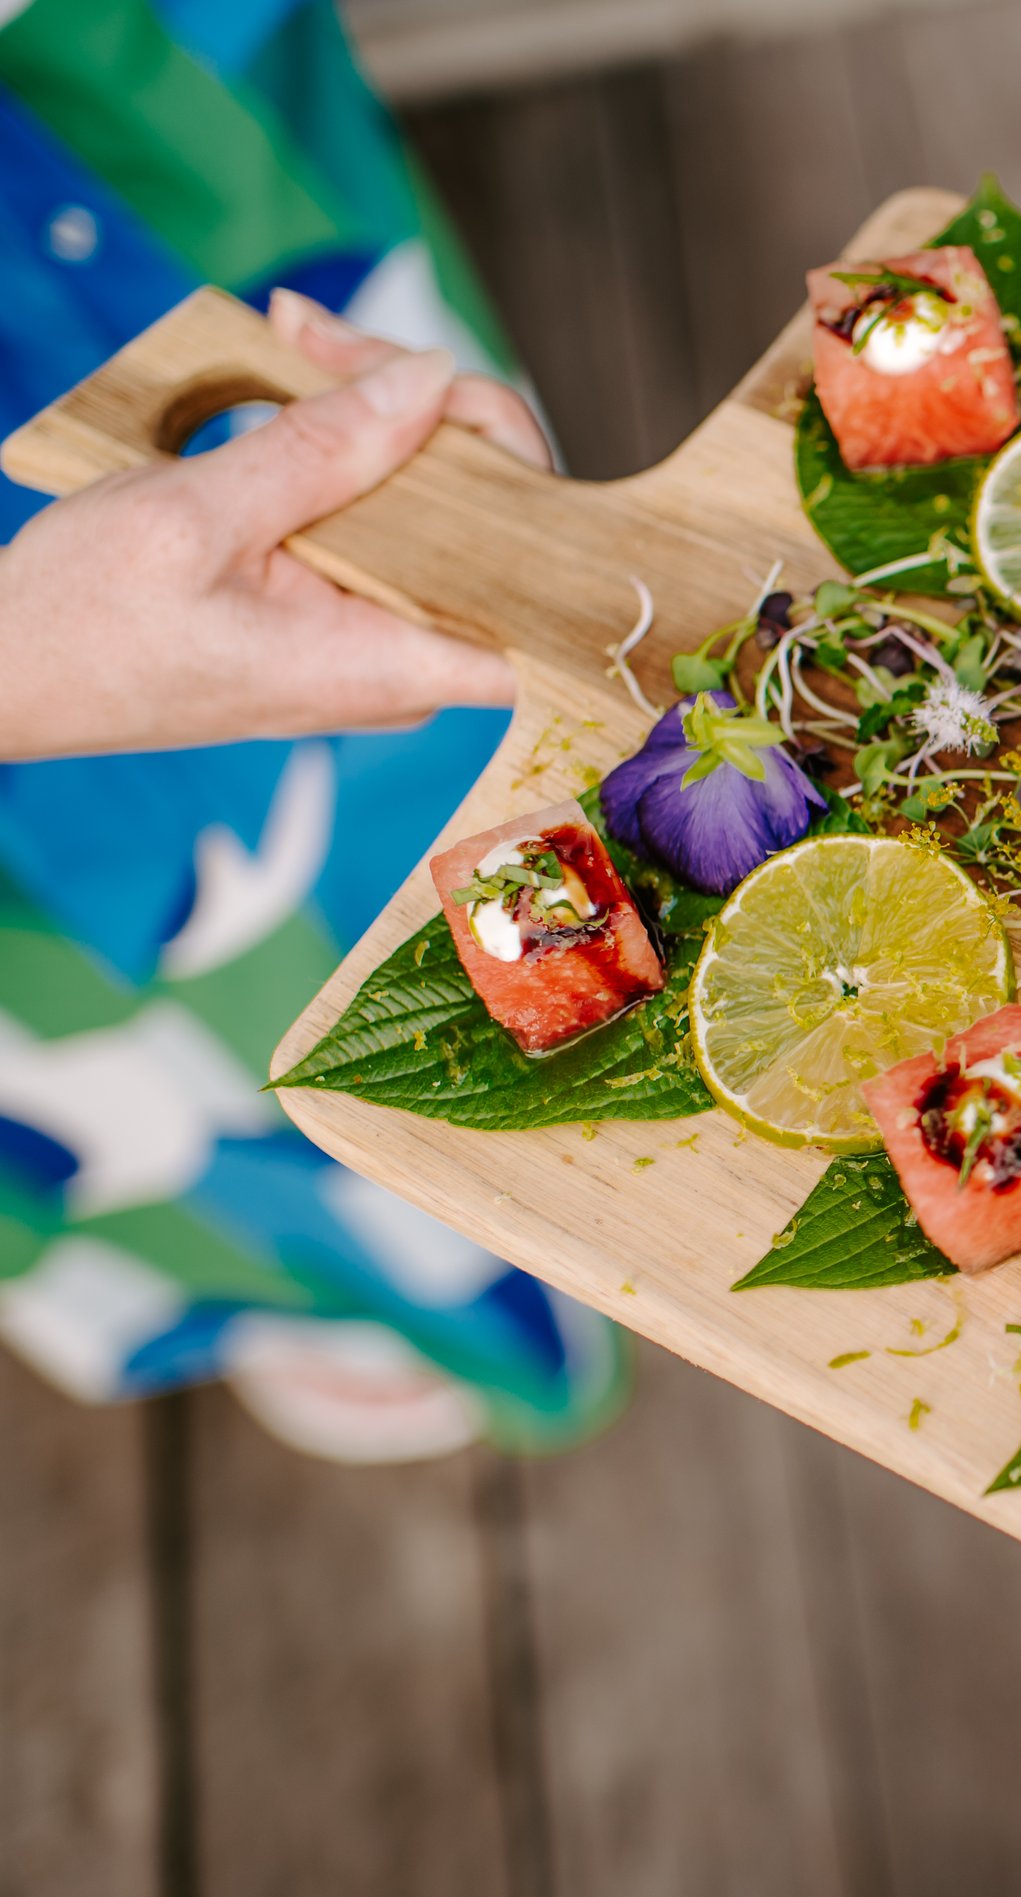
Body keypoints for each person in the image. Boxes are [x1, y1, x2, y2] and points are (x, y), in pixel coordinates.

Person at [0, 0, 627, 1461]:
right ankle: (331, 1285)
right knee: (130, 1051)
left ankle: (463, 1248)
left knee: (471, 709)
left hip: (133, 72)